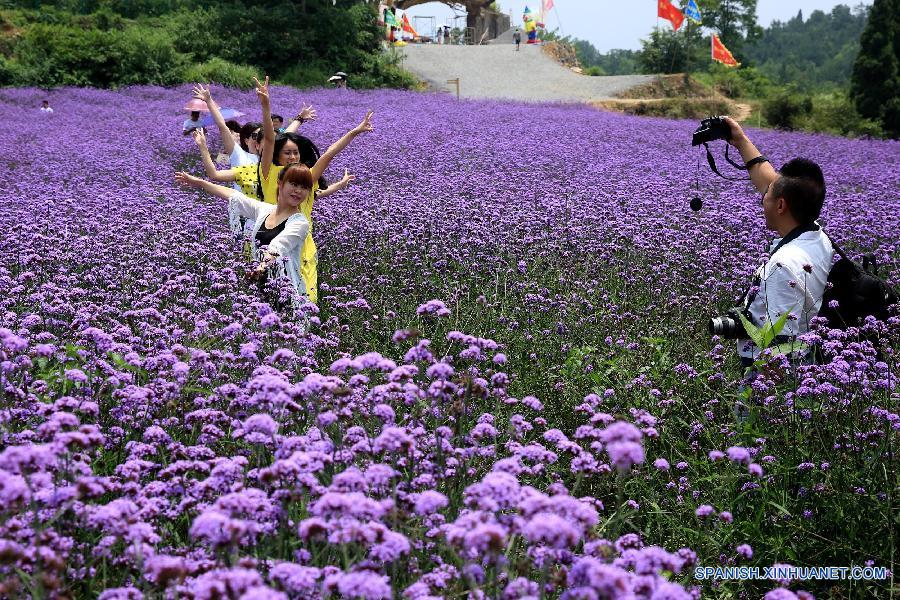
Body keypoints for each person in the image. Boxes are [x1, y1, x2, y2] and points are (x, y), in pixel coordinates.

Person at [722, 116, 834, 367]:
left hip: (770, 379)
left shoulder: (783, 265)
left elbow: (781, 347)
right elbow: (773, 184)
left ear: (781, 205)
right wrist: (739, 140)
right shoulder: (817, 236)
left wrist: (761, 398)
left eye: (767, 196)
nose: (762, 199)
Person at [255, 75, 374, 305]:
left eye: (296, 153)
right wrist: (265, 104)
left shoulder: (306, 177)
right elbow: (269, 139)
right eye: (287, 152)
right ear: (278, 156)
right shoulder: (269, 176)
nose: (293, 156)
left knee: (305, 302)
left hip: (302, 247)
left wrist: (354, 132)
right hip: (271, 242)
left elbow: (329, 154)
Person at [174, 166, 313, 313]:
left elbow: (279, 245)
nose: (298, 190)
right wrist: (200, 183)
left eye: (304, 187)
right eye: (294, 184)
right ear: (280, 183)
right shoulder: (265, 210)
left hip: (284, 291)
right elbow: (235, 196)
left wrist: (262, 266)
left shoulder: (300, 223)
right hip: (258, 285)